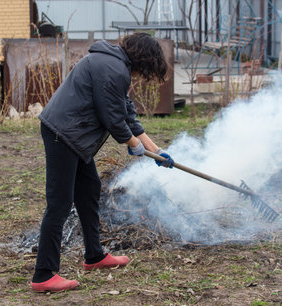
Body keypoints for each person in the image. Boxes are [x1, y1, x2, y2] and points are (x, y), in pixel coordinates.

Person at [30, 32, 174, 293]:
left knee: (89, 192)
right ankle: (43, 275)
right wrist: (134, 146)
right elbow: (114, 121)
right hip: (64, 134)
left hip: (73, 136)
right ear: (145, 59)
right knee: (59, 203)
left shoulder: (115, 65)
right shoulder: (113, 68)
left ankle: (94, 256)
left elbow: (126, 115)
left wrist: (157, 151)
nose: (144, 76)